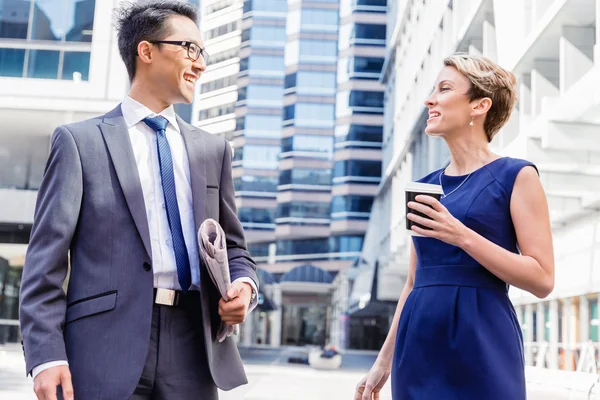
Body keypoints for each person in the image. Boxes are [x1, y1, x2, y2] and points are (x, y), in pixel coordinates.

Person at [18, 2, 259, 400]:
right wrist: (46, 356)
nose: (200, 64)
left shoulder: (213, 151)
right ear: (146, 51)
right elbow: (44, 263)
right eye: (189, 49)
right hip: (102, 349)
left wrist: (245, 287)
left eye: (203, 53)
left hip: (194, 348)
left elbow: (235, 249)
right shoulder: (80, 143)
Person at [355, 53, 555, 400]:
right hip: (417, 344)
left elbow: (542, 278)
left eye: (444, 89)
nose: (429, 99)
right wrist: (383, 362)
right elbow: (414, 281)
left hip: (483, 342)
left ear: (480, 106)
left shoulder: (517, 176)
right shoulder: (423, 187)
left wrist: (461, 235)